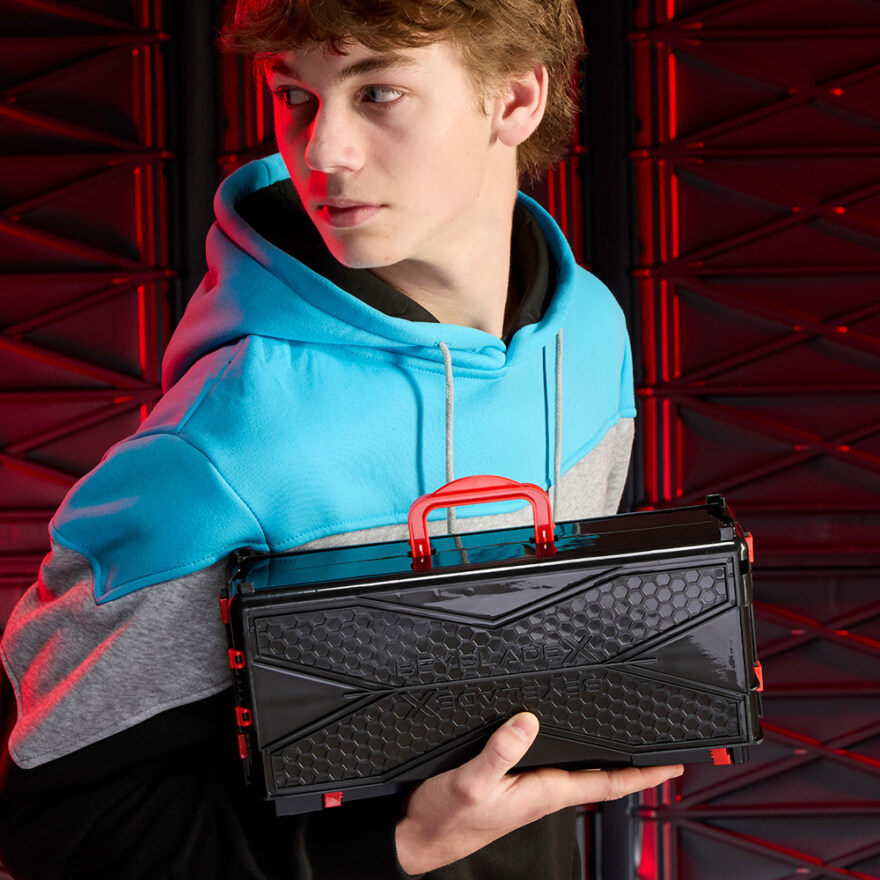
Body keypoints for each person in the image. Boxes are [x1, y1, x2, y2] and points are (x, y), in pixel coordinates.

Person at [0, 0, 683, 877]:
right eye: (296, 97)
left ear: (515, 99)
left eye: (378, 93)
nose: (321, 152)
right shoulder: (230, 436)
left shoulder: (591, 333)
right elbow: (58, 829)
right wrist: (391, 845)